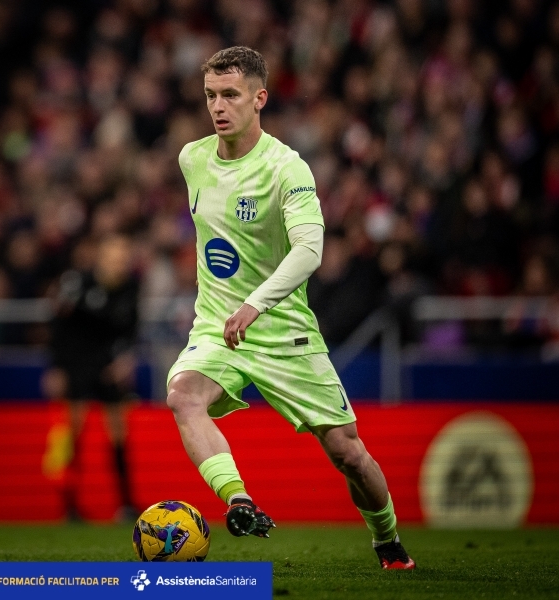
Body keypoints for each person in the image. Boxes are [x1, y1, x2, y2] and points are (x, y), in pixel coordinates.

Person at [166, 46, 415, 570]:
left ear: (260, 98)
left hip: (284, 331)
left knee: (348, 452)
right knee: (183, 394)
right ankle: (238, 500)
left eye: (230, 95)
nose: (218, 106)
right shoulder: (192, 158)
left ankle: (387, 538)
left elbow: (309, 250)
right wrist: (233, 310)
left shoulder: (287, 168)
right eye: (210, 95)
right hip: (219, 328)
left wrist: (254, 304)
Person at [43, 233, 139, 522]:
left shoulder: (131, 287)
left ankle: (125, 505)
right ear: (101, 259)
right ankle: (70, 507)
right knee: (73, 433)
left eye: (123, 259)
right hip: (76, 364)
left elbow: (131, 329)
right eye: (114, 258)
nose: (119, 264)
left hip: (108, 364)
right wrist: (57, 367)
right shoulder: (76, 283)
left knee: (119, 434)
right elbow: (57, 325)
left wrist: (125, 359)